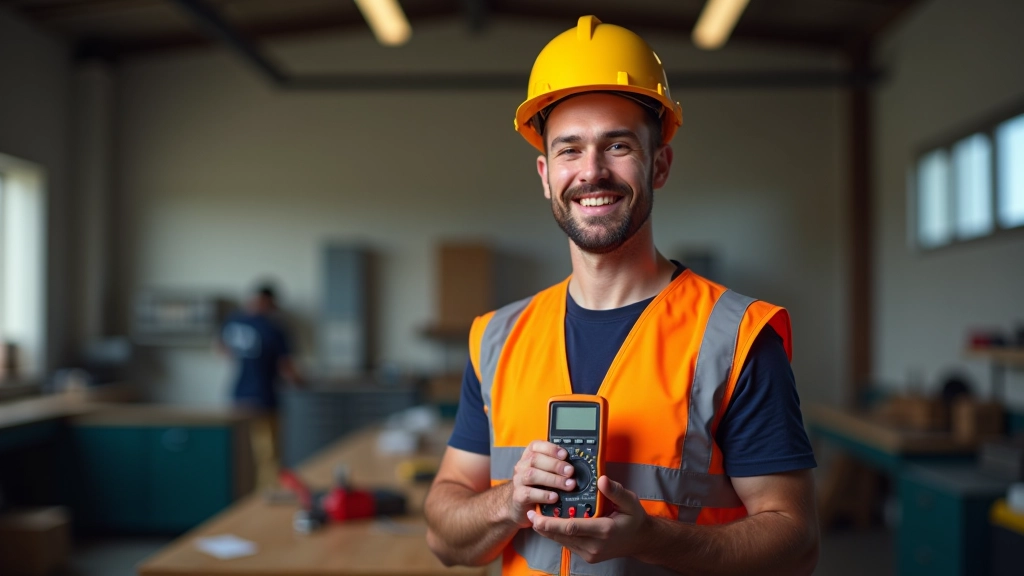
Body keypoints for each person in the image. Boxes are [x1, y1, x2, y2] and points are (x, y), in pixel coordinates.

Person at [424, 16, 819, 576]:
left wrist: (655, 539)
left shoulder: (735, 338)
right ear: (545, 174)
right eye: (569, 150)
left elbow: (796, 545)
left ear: (659, 165)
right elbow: (444, 535)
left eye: (617, 145)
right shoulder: (497, 338)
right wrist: (507, 502)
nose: (592, 171)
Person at [220, 283, 301, 484]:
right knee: (268, 455)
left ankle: (244, 497)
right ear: (270, 302)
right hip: (264, 397)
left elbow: (220, 348)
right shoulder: (274, 328)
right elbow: (287, 368)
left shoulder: (234, 321)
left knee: (241, 454)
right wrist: (302, 383)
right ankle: (267, 494)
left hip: (239, 395)